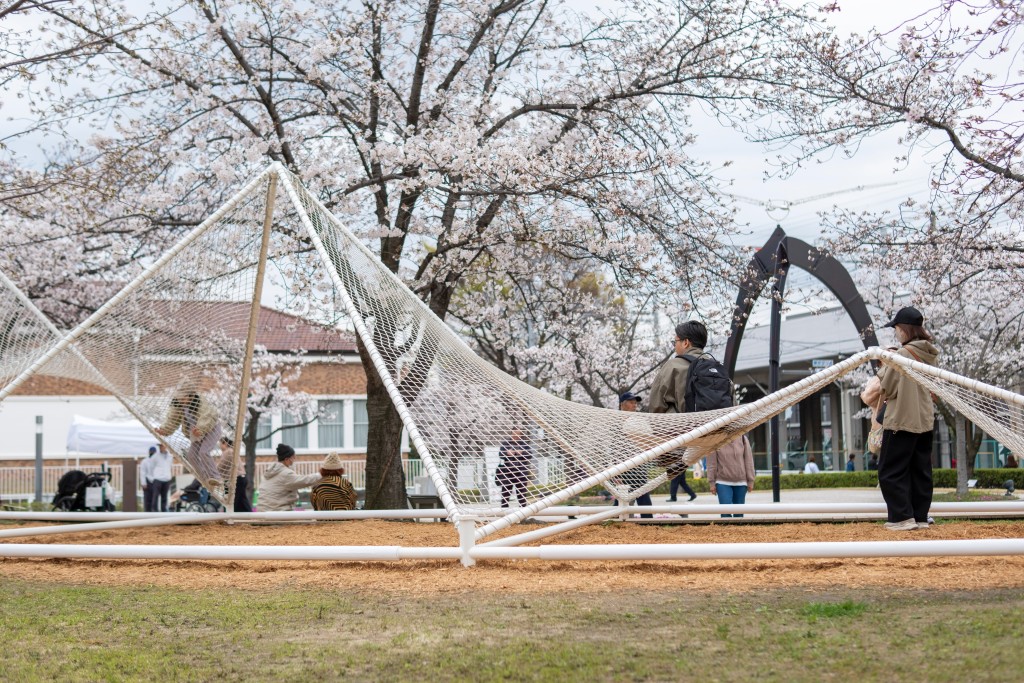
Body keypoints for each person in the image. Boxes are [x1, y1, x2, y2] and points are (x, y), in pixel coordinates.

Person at [875, 306, 940, 531]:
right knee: (920, 469)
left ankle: (901, 517)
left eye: (896, 329)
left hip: (902, 419)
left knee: (890, 469)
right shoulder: (929, 354)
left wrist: (886, 363)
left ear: (904, 330)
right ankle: (920, 516)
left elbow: (888, 387)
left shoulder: (902, 355)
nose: (896, 333)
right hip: (924, 420)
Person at [156, 380, 222, 462]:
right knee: (191, 456)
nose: (181, 400)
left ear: (191, 396)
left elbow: (207, 415)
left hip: (211, 429)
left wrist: (201, 429)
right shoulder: (178, 405)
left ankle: (213, 475)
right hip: (196, 434)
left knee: (203, 452)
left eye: (184, 398)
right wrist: (164, 430)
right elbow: (173, 419)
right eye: (179, 398)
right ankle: (201, 474)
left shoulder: (200, 401)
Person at [613, 392, 653, 518]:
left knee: (642, 498)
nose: (634, 405)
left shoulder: (638, 422)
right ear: (622, 405)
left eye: (635, 403)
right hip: (623, 468)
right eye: (631, 402)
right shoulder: (616, 424)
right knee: (622, 500)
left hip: (638, 466)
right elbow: (614, 449)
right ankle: (616, 522)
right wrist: (616, 473)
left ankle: (648, 524)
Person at [257, 443, 322, 511]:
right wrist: (321, 474)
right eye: (293, 458)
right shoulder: (285, 474)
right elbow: (304, 480)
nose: (294, 460)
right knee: (309, 518)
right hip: (278, 512)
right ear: (287, 459)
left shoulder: (268, 472)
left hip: (263, 512)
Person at [706, 436, 755, 518]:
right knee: (725, 512)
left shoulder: (743, 439)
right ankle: (725, 531)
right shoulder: (715, 441)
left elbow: (749, 461)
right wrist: (712, 482)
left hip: (741, 482)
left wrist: (750, 480)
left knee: (739, 514)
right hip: (722, 481)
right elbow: (711, 463)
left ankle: (738, 531)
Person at [495, 426, 533, 508]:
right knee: (505, 495)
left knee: (522, 495)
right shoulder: (505, 443)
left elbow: (530, 455)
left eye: (518, 434)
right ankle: (504, 513)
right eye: (514, 433)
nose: (516, 435)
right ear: (511, 434)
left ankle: (523, 513)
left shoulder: (524, 444)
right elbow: (500, 454)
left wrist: (521, 452)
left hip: (521, 473)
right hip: (507, 472)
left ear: (520, 435)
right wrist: (507, 453)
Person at [217, 437, 252, 513]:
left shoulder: (228, 452)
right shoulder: (233, 451)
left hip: (235, 480)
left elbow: (221, 466)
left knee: (232, 501)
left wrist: (213, 472)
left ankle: (230, 516)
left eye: (220, 444)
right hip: (240, 478)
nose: (219, 446)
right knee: (241, 500)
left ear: (225, 443)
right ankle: (249, 515)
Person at [148, 442, 174, 512]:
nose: (161, 447)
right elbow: (151, 468)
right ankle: (154, 511)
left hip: (167, 479)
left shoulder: (170, 457)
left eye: (162, 446)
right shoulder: (155, 456)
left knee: (164, 497)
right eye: (160, 446)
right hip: (157, 479)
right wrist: (152, 478)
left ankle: (164, 511)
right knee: (155, 496)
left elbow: (170, 466)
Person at [140, 446, 157, 512]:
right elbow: (143, 472)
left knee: (154, 499)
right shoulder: (145, 461)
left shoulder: (157, 461)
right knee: (147, 499)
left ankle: (154, 512)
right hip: (148, 481)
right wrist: (143, 483)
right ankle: (147, 512)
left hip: (155, 481)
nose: (152, 453)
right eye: (151, 452)